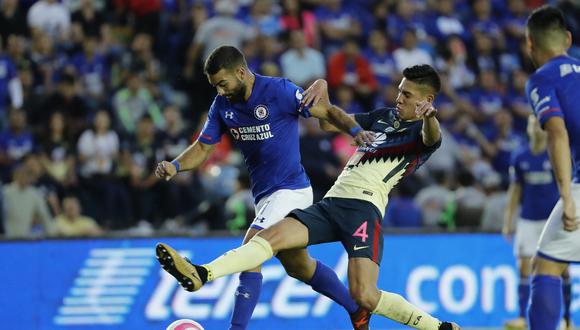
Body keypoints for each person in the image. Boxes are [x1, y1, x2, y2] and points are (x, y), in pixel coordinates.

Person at [156, 64, 460, 330]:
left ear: (427, 100)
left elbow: (431, 138)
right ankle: (203, 273)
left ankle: (439, 328)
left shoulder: (422, 133)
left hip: (363, 210)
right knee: (267, 240)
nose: (399, 98)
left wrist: (431, 118)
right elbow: (328, 120)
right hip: (331, 203)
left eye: (407, 95)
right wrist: (322, 86)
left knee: (365, 295)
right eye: (399, 91)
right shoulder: (384, 117)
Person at [154, 45, 375, 330]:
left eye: (223, 83)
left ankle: (227, 312)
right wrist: (175, 165)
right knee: (299, 266)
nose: (220, 91)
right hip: (265, 197)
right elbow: (203, 147)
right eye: (214, 86)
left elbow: (327, 110)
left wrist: (355, 132)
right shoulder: (222, 105)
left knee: (252, 247)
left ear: (241, 72)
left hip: (291, 190)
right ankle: (357, 310)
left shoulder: (279, 91)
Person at [524, 6, 580, 330]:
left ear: (530, 44)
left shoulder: (541, 78)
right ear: (568, 40)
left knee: (545, 268)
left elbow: (556, 132)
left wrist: (567, 197)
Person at [502, 115, 572, 329]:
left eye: (539, 125)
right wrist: (508, 221)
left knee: (562, 269)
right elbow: (515, 191)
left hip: (553, 219)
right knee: (523, 266)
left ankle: (567, 318)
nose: (537, 128)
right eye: (533, 124)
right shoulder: (520, 156)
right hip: (528, 221)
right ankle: (522, 317)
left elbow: (566, 185)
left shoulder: (555, 153)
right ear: (529, 129)